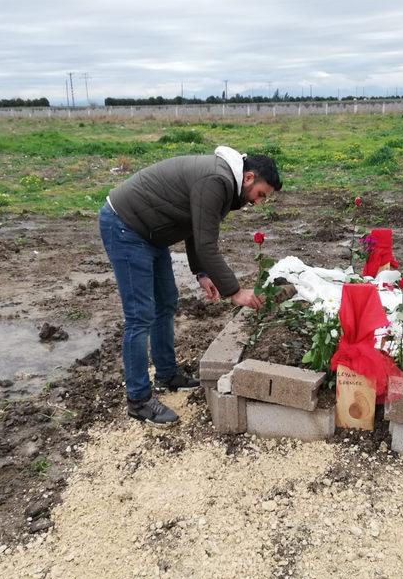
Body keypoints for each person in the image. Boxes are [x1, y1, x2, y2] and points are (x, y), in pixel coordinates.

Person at [99, 146, 282, 425]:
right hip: (127, 227)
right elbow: (207, 244)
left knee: (166, 302)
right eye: (260, 195)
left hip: (150, 232)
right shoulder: (217, 181)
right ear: (249, 177)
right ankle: (138, 400)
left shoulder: (223, 182)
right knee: (140, 315)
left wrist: (201, 273)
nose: (258, 202)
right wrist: (235, 291)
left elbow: (196, 230)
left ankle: (166, 375)